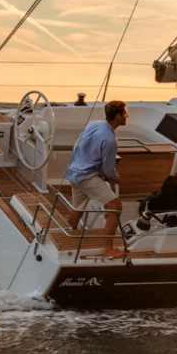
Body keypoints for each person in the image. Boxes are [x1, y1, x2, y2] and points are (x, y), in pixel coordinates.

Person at [65, 100, 129, 258]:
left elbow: (78, 146)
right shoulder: (110, 140)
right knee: (115, 206)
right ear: (118, 116)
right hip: (87, 176)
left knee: (78, 207)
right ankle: (108, 249)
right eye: (126, 113)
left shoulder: (93, 124)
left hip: (74, 171)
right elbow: (108, 169)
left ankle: (69, 234)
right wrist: (116, 177)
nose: (128, 116)